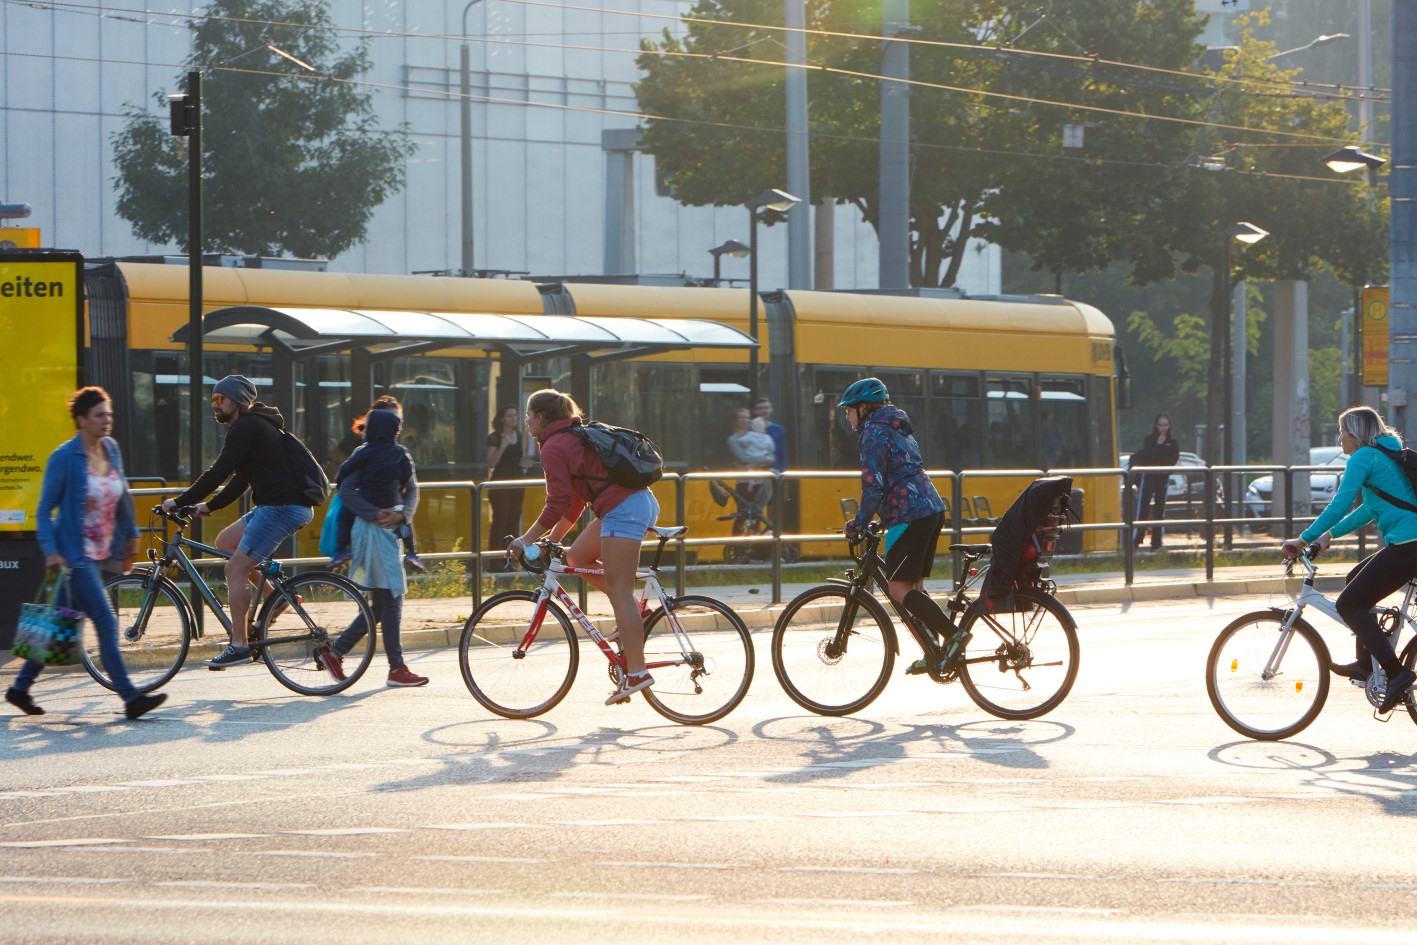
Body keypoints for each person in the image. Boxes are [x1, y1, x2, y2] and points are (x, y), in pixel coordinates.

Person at [7, 387, 167, 719]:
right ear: (82, 420)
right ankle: (130, 698)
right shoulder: (63, 457)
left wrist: (132, 534)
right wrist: (51, 551)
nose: (107, 420)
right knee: (107, 624)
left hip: (101, 553)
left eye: (109, 414)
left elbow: (121, 495)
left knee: (58, 625)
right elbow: (43, 511)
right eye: (100, 415)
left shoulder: (110, 448)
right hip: (75, 558)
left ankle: (19, 689)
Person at [508, 388, 660, 705]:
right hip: (631, 503)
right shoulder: (572, 437)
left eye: (527, 416)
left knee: (619, 591)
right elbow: (575, 501)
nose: (525, 423)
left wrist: (527, 539)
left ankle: (638, 672)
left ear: (539, 417)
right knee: (577, 557)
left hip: (624, 509)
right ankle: (631, 615)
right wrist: (554, 539)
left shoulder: (553, 447)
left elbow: (557, 503)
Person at [162, 375, 316, 669]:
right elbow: (241, 478)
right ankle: (276, 600)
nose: (215, 405)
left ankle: (239, 645)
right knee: (226, 543)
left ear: (238, 401)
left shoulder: (246, 427)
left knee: (235, 568)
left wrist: (178, 501)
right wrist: (210, 505)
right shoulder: (253, 427)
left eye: (220, 399)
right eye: (213, 399)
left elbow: (218, 472)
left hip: (282, 508)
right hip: (275, 506)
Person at [1282, 406, 1417, 713]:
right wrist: (1328, 536)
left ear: (1356, 435)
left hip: (1409, 545)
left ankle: (1397, 674)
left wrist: (1302, 539)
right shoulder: (1383, 454)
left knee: (1348, 604)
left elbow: (1339, 504)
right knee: (1355, 579)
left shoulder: (1364, 457)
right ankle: (1365, 664)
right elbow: (1369, 509)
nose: (1339, 437)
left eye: (1343, 431)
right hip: (1410, 542)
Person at [839, 377, 964, 675]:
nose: (847, 416)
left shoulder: (873, 432)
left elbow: (874, 485)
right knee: (914, 590)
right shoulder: (897, 427)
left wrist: (858, 523)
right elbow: (902, 474)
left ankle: (955, 636)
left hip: (910, 514)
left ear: (864, 408)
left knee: (897, 588)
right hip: (930, 509)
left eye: (849, 410)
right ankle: (934, 652)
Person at [319, 409, 428, 687]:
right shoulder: (395, 453)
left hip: (376, 529)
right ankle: (397, 668)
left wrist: (401, 515)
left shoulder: (364, 453)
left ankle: (336, 653)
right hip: (377, 531)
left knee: (380, 605)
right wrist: (381, 513)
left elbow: (345, 488)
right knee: (392, 598)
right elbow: (412, 488)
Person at [328, 396, 425, 574]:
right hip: (390, 507)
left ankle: (341, 550)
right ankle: (413, 553)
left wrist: (401, 515)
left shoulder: (365, 453)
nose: (399, 429)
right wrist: (397, 509)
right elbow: (407, 481)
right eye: (396, 422)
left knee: (345, 514)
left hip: (382, 516)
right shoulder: (399, 453)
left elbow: (345, 475)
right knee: (380, 584)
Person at [486, 404, 525, 570]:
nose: (513, 418)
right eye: (509, 415)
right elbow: (491, 463)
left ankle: (513, 561)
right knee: (500, 521)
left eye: (515, 415)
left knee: (513, 521)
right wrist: (503, 445)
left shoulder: (520, 436)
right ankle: (495, 561)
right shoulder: (495, 437)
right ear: (502, 418)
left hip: (517, 482)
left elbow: (524, 457)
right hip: (500, 483)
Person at [1131, 414, 1179, 550]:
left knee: (1160, 510)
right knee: (1143, 508)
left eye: (1166, 425)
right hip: (1149, 476)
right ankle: (1137, 539)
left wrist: (1161, 456)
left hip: (1163, 477)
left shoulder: (1173, 442)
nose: (1163, 428)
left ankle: (1156, 542)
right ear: (1156, 426)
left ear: (1169, 426)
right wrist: (1159, 445)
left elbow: (1171, 460)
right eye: (1161, 425)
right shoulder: (1149, 440)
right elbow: (1148, 457)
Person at [727, 408, 775, 509]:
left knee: (757, 516)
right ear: (736, 421)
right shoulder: (733, 440)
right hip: (744, 482)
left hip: (760, 481)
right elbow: (744, 458)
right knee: (742, 515)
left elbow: (771, 454)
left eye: (747, 417)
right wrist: (765, 459)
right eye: (741, 418)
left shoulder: (757, 436)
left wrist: (764, 459)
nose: (744, 420)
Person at [752, 397, 789, 473]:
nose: (764, 410)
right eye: (760, 408)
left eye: (766, 408)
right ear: (755, 411)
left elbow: (782, 453)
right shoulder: (749, 429)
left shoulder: (779, 430)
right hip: (754, 472)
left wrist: (783, 473)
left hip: (774, 472)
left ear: (771, 410)